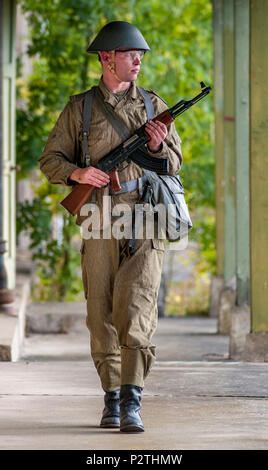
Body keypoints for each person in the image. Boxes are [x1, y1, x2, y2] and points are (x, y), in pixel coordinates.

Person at [38, 21, 182, 433]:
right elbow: (51, 161)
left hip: (146, 215)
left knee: (136, 307)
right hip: (98, 216)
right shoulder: (80, 108)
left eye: (140, 56)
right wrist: (79, 175)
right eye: (128, 54)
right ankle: (112, 397)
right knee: (99, 309)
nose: (137, 61)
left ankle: (132, 399)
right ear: (106, 58)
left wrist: (156, 146)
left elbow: (174, 164)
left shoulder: (154, 107)